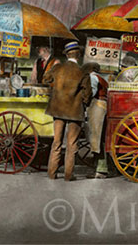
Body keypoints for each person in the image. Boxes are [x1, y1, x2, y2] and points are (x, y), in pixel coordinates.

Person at [43, 40, 92, 181]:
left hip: (58, 110)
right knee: (72, 144)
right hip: (75, 112)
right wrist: (83, 103)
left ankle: (52, 173)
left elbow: (45, 79)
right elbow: (87, 94)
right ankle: (68, 175)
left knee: (57, 142)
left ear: (66, 55)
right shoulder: (82, 72)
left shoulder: (58, 68)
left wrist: (55, 88)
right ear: (79, 55)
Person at [83, 61, 109, 178]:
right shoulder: (102, 78)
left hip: (96, 107)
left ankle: (101, 170)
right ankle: (100, 168)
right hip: (103, 106)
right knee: (100, 138)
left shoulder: (92, 78)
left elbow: (91, 93)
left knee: (95, 138)